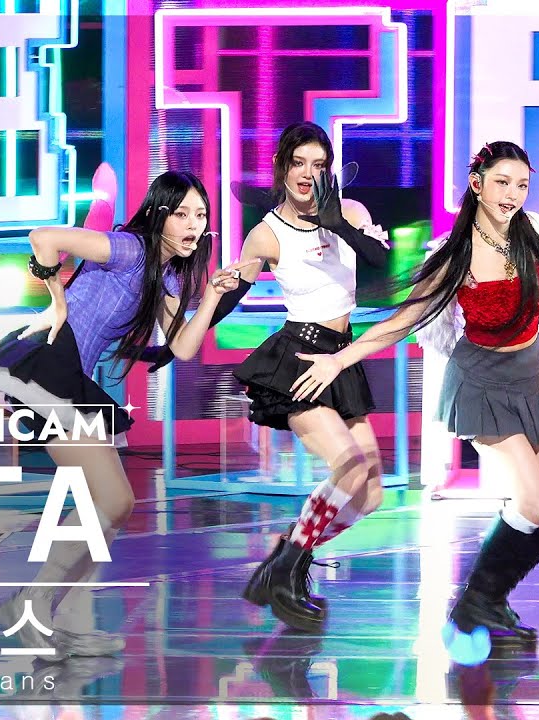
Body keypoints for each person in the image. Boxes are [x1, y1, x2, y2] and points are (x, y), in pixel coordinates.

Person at [288, 140, 539, 647]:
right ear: (477, 184)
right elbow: (403, 321)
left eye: (522, 185)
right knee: (533, 500)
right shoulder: (456, 253)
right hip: (482, 382)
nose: (512, 194)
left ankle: (489, 598)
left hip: (533, 379)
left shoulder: (533, 232)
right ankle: (473, 603)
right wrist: (339, 359)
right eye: (502, 183)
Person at [0, 170, 250, 658]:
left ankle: (43, 613)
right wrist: (57, 301)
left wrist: (210, 297)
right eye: (181, 214)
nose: (193, 225)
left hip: (67, 377)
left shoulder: (164, 275)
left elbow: (183, 347)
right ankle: (29, 605)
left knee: (113, 507)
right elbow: (44, 238)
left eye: (200, 215)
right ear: (158, 215)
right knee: (114, 499)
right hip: (46, 370)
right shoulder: (129, 249)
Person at [234, 121, 391, 633]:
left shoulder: (351, 213)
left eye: (319, 165)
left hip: (342, 356)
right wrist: (179, 336)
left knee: (370, 495)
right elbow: (230, 294)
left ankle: (284, 559)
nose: (308, 174)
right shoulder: (266, 233)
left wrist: (337, 222)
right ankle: (285, 574)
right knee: (349, 466)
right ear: (282, 167)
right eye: (298, 163)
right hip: (299, 357)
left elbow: (380, 263)